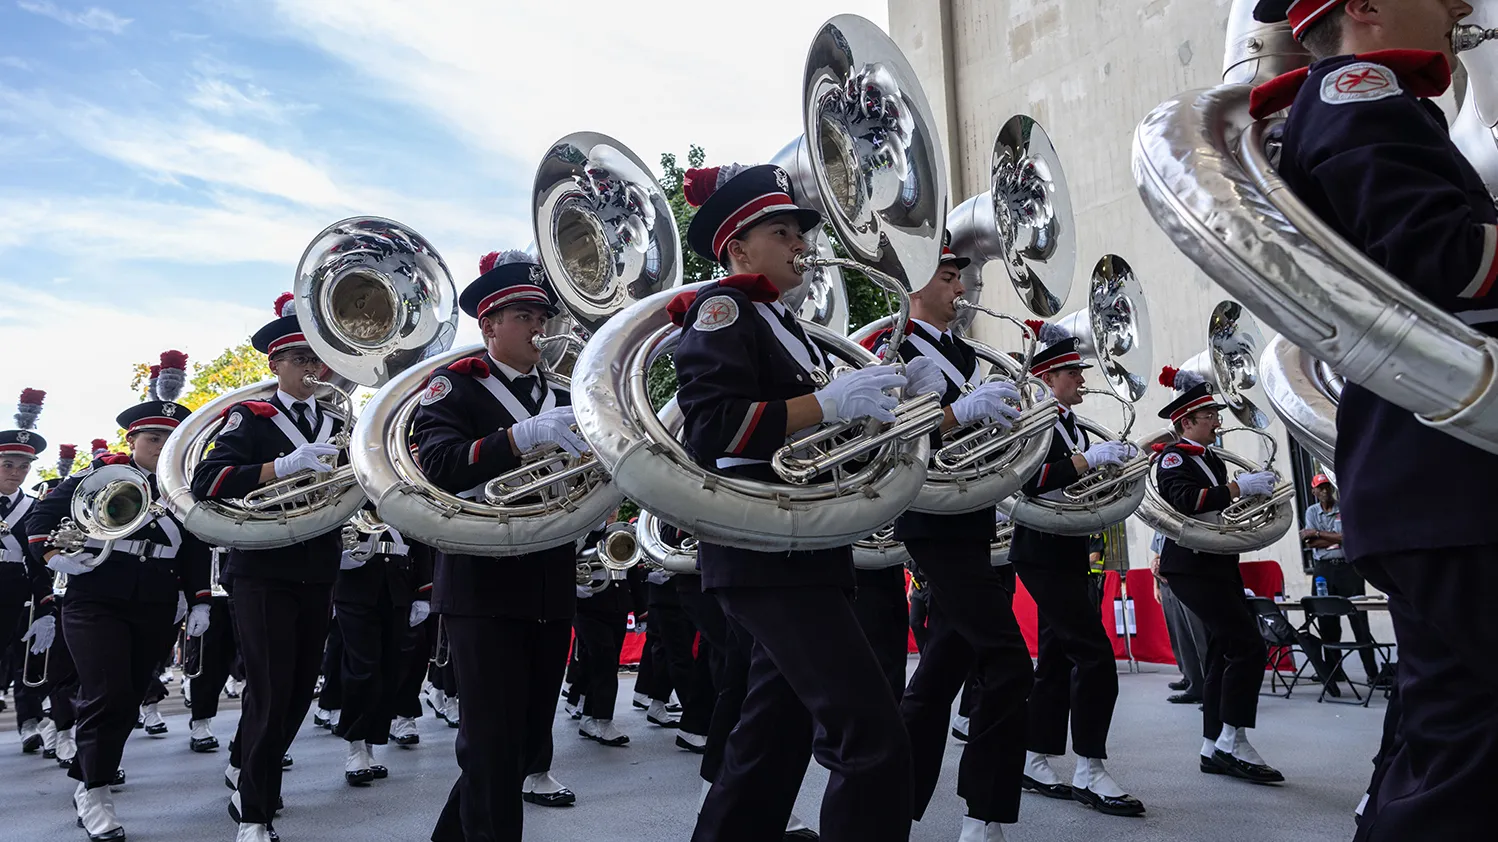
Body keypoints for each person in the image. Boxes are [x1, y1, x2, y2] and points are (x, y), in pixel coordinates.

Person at [1251, 1, 1497, 836]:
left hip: (1436, 481)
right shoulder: (1359, 94)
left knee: (1454, 740)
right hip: (1449, 477)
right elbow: (1442, 258)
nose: (1462, 5)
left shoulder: (1372, 99)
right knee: (1465, 752)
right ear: (1363, 7)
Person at [673, 162, 918, 842]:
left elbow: (817, 430)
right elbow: (712, 427)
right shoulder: (723, 310)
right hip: (764, 550)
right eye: (783, 232)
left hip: (801, 547)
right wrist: (827, 402)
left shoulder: (789, 327)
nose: (801, 245)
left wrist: (910, 401)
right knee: (872, 740)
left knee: (768, 746)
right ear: (738, 248)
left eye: (798, 233)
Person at [862, 234, 1035, 842]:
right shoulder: (887, 344)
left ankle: (890, 811)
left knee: (938, 677)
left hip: (974, 518)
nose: (962, 288)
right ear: (913, 282)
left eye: (960, 278)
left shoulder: (962, 352)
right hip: (931, 521)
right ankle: (983, 818)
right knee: (1011, 663)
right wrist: (960, 415)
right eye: (948, 278)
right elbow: (872, 433)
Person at [412, 250, 582, 841]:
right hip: (481, 582)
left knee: (523, 740)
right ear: (488, 325)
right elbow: (435, 466)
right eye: (525, 315)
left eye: (544, 314)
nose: (541, 326)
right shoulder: (452, 387)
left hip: (551, 577)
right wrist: (518, 437)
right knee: (489, 740)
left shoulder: (570, 391)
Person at [26, 357, 213, 841]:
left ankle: (91, 775)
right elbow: (39, 521)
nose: (161, 447)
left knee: (128, 698)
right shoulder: (96, 477)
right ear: (131, 441)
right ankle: (95, 789)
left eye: (171, 439)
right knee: (105, 692)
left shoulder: (183, 488)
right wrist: (54, 559)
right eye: (153, 438)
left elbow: (194, 546)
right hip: (95, 598)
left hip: (154, 602)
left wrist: (199, 600)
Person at [192, 296, 346, 842]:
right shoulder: (250, 417)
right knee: (272, 686)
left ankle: (252, 780)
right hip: (261, 568)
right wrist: (276, 467)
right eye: (299, 358)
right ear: (274, 365)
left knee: (300, 688)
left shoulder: (338, 422)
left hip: (318, 566)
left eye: (318, 359)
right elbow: (206, 480)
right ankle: (255, 812)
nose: (312, 368)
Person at [1008, 320, 1143, 817]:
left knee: (1060, 656)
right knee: (1094, 654)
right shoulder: (1034, 419)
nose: (1081, 380)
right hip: (1040, 547)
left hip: (1065, 546)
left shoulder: (1071, 425)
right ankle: (1090, 769)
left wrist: (1109, 467)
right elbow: (1028, 481)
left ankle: (1033, 756)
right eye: (1072, 373)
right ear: (1047, 377)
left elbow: (1074, 485)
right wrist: (1089, 463)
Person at [1154, 366, 1283, 784]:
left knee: (1219, 653)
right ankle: (1234, 739)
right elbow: (1187, 501)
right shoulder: (1173, 457)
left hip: (1217, 563)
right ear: (1185, 421)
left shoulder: (1210, 458)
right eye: (1208, 414)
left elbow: (1219, 510)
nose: (1216, 420)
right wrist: (1239, 489)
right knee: (1246, 646)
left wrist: (1247, 496)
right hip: (1191, 564)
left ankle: (1213, 744)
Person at [331, 510, 434, 786]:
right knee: (362, 667)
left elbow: (417, 533)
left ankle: (370, 745)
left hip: (397, 583)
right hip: (355, 584)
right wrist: (333, 556)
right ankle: (356, 745)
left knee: (390, 669)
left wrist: (423, 591)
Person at [2, 390, 64, 755]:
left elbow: (39, 560)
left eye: (23, 466)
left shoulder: (31, 508)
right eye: (8, 464)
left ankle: (28, 721)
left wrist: (44, 606)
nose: (16, 472)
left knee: (27, 658)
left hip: (17, 589)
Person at [1301, 474, 1381, 683]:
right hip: (1323, 572)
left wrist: (1319, 533)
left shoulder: (1344, 508)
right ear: (1314, 492)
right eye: (1321, 488)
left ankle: (1372, 673)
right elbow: (1310, 543)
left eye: (1328, 487)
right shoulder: (1311, 511)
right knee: (1327, 620)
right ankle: (1335, 671)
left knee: (1359, 621)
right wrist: (1334, 540)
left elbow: (1349, 537)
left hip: (1349, 570)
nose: (1325, 491)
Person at [1150, 530, 1208, 704]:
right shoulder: (1160, 524)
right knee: (1179, 634)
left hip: (1185, 578)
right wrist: (1156, 585)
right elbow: (1156, 554)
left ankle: (1208, 685)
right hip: (1166, 582)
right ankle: (1191, 679)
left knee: (1198, 637)